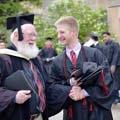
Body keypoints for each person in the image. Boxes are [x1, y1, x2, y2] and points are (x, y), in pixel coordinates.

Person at [47, 16, 115, 120]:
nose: (58, 36)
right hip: (72, 113)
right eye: (58, 33)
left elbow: (108, 82)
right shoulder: (57, 61)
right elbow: (52, 86)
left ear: (73, 32)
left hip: (96, 113)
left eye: (62, 32)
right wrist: (70, 84)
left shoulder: (95, 54)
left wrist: (84, 92)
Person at [0, 14, 48, 120]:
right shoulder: (3, 58)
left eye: (35, 35)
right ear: (17, 35)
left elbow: (47, 86)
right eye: (30, 35)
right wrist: (13, 97)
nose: (34, 38)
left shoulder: (36, 60)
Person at [102, 32, 120, 103]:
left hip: (116, 66)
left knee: (116, 81)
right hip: (108, 67)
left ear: (109, 36)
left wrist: (113, 65)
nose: (104, 38)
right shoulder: (104, 46)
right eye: (103, 37)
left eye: (105, 36)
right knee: (110, 81)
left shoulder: (115, 44)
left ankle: (117, 98)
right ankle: (114, 97)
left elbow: (116, 54)